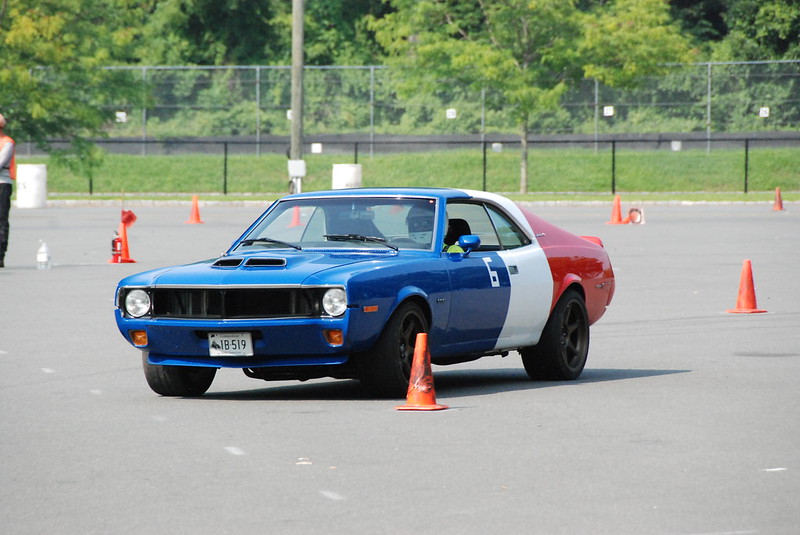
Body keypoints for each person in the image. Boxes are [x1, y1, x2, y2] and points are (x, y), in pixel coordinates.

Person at [0, 113, 16, 268]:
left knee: (1, 220)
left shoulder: (7, 142)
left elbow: (1, 162)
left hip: (2, 184)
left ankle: (0, 255)